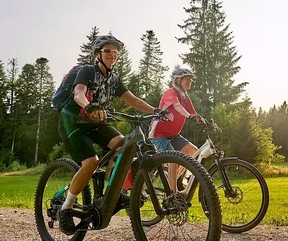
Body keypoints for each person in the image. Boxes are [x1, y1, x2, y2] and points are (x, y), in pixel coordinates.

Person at [57, 34, 171, 235]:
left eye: (115, 52)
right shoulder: (87, 71)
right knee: (91, 163)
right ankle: (66, 208)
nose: (112, 55)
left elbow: (133, 100)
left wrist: (156, 110)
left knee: (124, 146)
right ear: (97, 55)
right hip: (73, 121)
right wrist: (89, 105)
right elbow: (79, 94)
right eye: (107, 51)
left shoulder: (114, 79)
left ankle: (115, 192)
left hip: (97, 122)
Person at [148, 68, 205, 195]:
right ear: (178, 80)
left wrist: (202, 120)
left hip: (173, 135)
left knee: (193, 151)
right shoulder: (170, 92)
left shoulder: (185, 97)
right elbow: (177, 106)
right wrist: (189, 116)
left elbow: (193, 113)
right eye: (187, 79)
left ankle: (176, 179)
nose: (189, 82)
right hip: (158, 135)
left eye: (191, 80)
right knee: (173, 157)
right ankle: (172, 194)